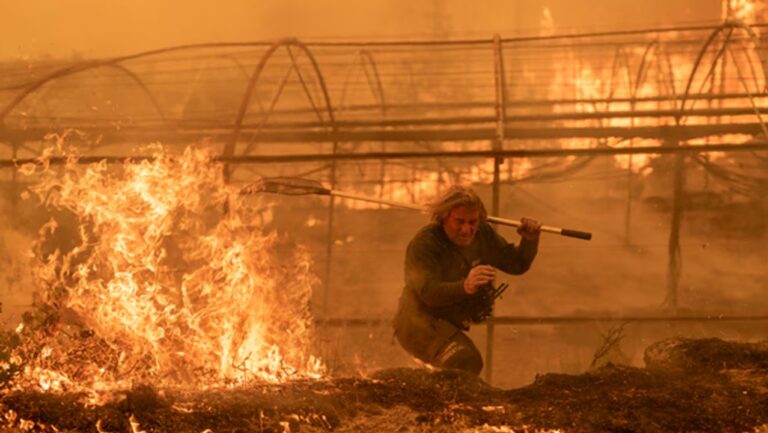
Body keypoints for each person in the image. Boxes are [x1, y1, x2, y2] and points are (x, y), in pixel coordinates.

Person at [393, 185, 541, 375]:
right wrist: (465, 286)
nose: (466, 230)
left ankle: (444, 403)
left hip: (444, 323)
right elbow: (428, 293)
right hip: (416, 323)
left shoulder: (482, 234)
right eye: (459, 222)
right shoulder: (425, 243)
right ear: (443, 219)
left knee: (465, 363)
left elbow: (516, 265)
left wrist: (529, 241)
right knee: (465, 361)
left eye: (472, 222)